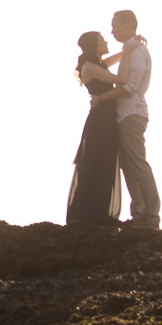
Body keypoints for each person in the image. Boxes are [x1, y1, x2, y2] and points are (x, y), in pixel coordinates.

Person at [91, 9, 160, 230]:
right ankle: (139, 213)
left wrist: (101, 97)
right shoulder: (130, 50)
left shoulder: (138, 51)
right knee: (129, 166)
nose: (112, 30)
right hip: (123, 116)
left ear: (129, 25)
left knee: (137, 163)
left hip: (132, 113)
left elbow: (130, 87)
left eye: (115, 25)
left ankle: (151, 214)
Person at [65, 30, 122, 226]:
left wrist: (129, 48)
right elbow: (121, 80)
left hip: (105, 118)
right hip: (101, 121)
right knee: (98, 162)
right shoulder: (91, 67)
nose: (106, 42)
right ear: (94, 45)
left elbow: (114, 60)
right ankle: (92, 216)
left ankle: (99, 213)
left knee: (104, 162)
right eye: (102, 40)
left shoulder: (97, 64)